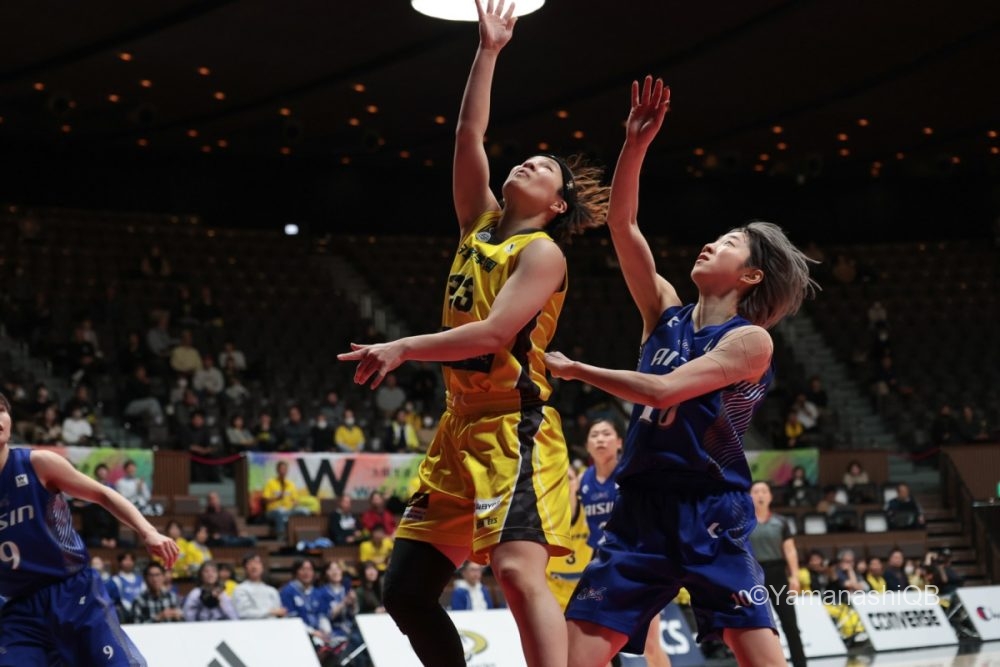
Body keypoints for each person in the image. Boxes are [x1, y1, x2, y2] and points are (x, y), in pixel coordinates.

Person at [337, 4, 610, 666]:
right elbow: (468, 133)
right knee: (405, 591)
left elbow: (492, 333)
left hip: (515, 425)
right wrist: (488, 51)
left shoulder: (543, 253)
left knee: (516, 570)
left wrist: (404, 346)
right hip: (458, 426)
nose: (527, 165)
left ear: (557, 204)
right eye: (526, 159)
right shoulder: (477, 225)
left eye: (543, 168)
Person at [543, 75, 817, 667]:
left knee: (760, 658)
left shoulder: (749, 341)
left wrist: (576, 368)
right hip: (639, 510)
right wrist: (634, 145)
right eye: (714, 239)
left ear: (750, 276)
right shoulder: (663, 312)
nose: (710, 245)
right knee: (576, 657)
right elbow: (624, 227)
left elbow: (665, 389)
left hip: (708, 509)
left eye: (729, 244)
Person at [0, 392, 179, 665]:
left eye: (2, 410)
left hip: (73, 591)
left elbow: (102, 494)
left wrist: (148, 531)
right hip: (20, 609)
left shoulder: (37, 463)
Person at [579, 418, 671, 667]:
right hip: (599, 568)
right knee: (595, 646)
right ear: (587, 446)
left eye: (606, 433)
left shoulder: (631, 473)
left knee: (650, 645)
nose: (600, 439)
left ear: (620, 442)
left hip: (636, 564)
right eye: (594, 435)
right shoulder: (581, 481)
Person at [748, 481, 805, 667]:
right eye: (756, 491)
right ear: (749, 497)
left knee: (790, 625)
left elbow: (790, 550)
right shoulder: (743, 523)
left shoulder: (781, 522)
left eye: (764, 491)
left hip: (778, 575)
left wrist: (795, 576)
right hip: (753, 577)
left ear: (770, 496)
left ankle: (800, 664)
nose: (760, 495)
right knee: (756, 627)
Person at [261, 460, 312, 540]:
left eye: (285, 469)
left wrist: (295, 503)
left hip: (288, 511)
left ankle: (303, 536)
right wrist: (277, 498)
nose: (283, 471)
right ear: (277, 470)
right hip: (273, 511)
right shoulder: (270, 483)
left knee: (305, 511)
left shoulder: (290, 484)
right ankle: (281, 537)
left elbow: (295, 499)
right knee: (280, 513)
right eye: (281, 469)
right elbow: (264, 500)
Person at [233, 553, 287, 620]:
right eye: (250, 563)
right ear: (245, 568)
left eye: (257, 563)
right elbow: (244, 613)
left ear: (262, 567)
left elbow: (278, 612)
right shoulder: (240, 589)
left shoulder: (272, 590)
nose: (254, 567)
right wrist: (271, 612)